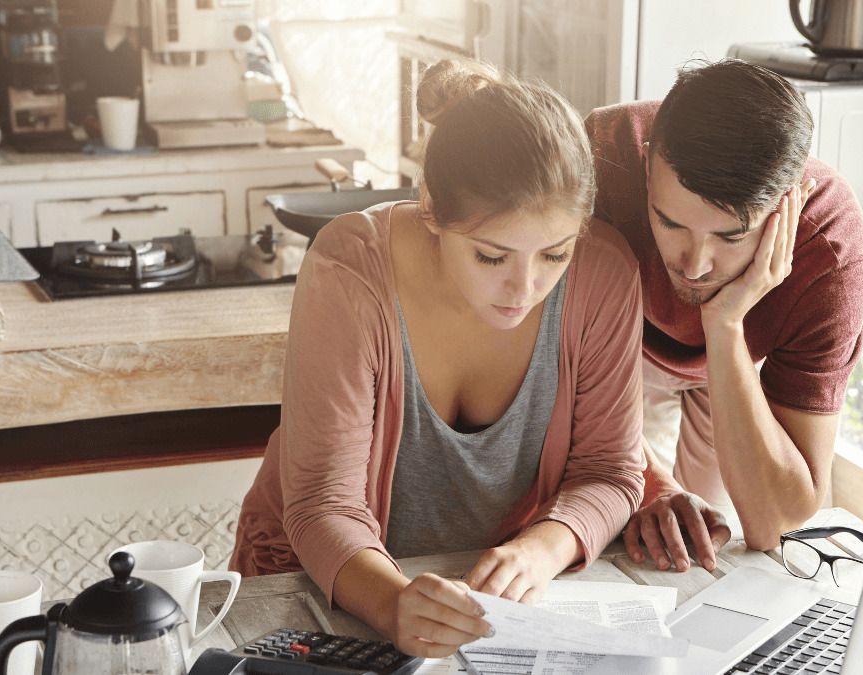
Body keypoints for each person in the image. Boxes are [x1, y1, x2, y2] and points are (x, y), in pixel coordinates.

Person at [231, 60, 646, 659]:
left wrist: (541, 550)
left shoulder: (604, 275)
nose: (524, 289)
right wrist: (394, 603)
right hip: (314, 580)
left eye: (554, 255)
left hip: (479, 600)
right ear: (431, 209)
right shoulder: (350, 269)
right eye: (490, 257)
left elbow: (609, 470)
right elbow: (325, 503)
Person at [585, 59, 863, 572]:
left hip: (737, 356)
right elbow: (539, 369)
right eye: (670, 222)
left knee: (708, 539)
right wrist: (650, 485)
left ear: (789, 204)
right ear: (648, 164)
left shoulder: (831, 251)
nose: (694, 266)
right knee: (627, 516)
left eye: (730, 236)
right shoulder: (598, 160)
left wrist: (724, 325)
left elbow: (773, 521)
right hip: (608, 344)